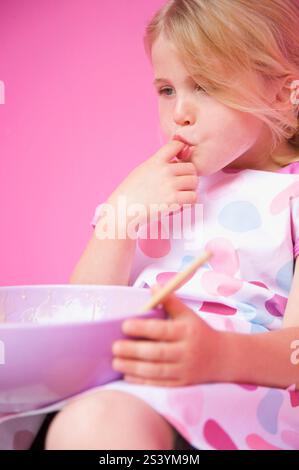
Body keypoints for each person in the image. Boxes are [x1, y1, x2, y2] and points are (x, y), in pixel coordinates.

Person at [2, 0, 299, 450]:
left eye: (205, 85)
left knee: (93, 426)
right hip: (116, 376)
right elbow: (81, 312)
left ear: (281, 94)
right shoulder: (157, 189)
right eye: (166, 89)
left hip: (231, 390)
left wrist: (218, 355)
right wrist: (119, 217)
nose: (179, 112)